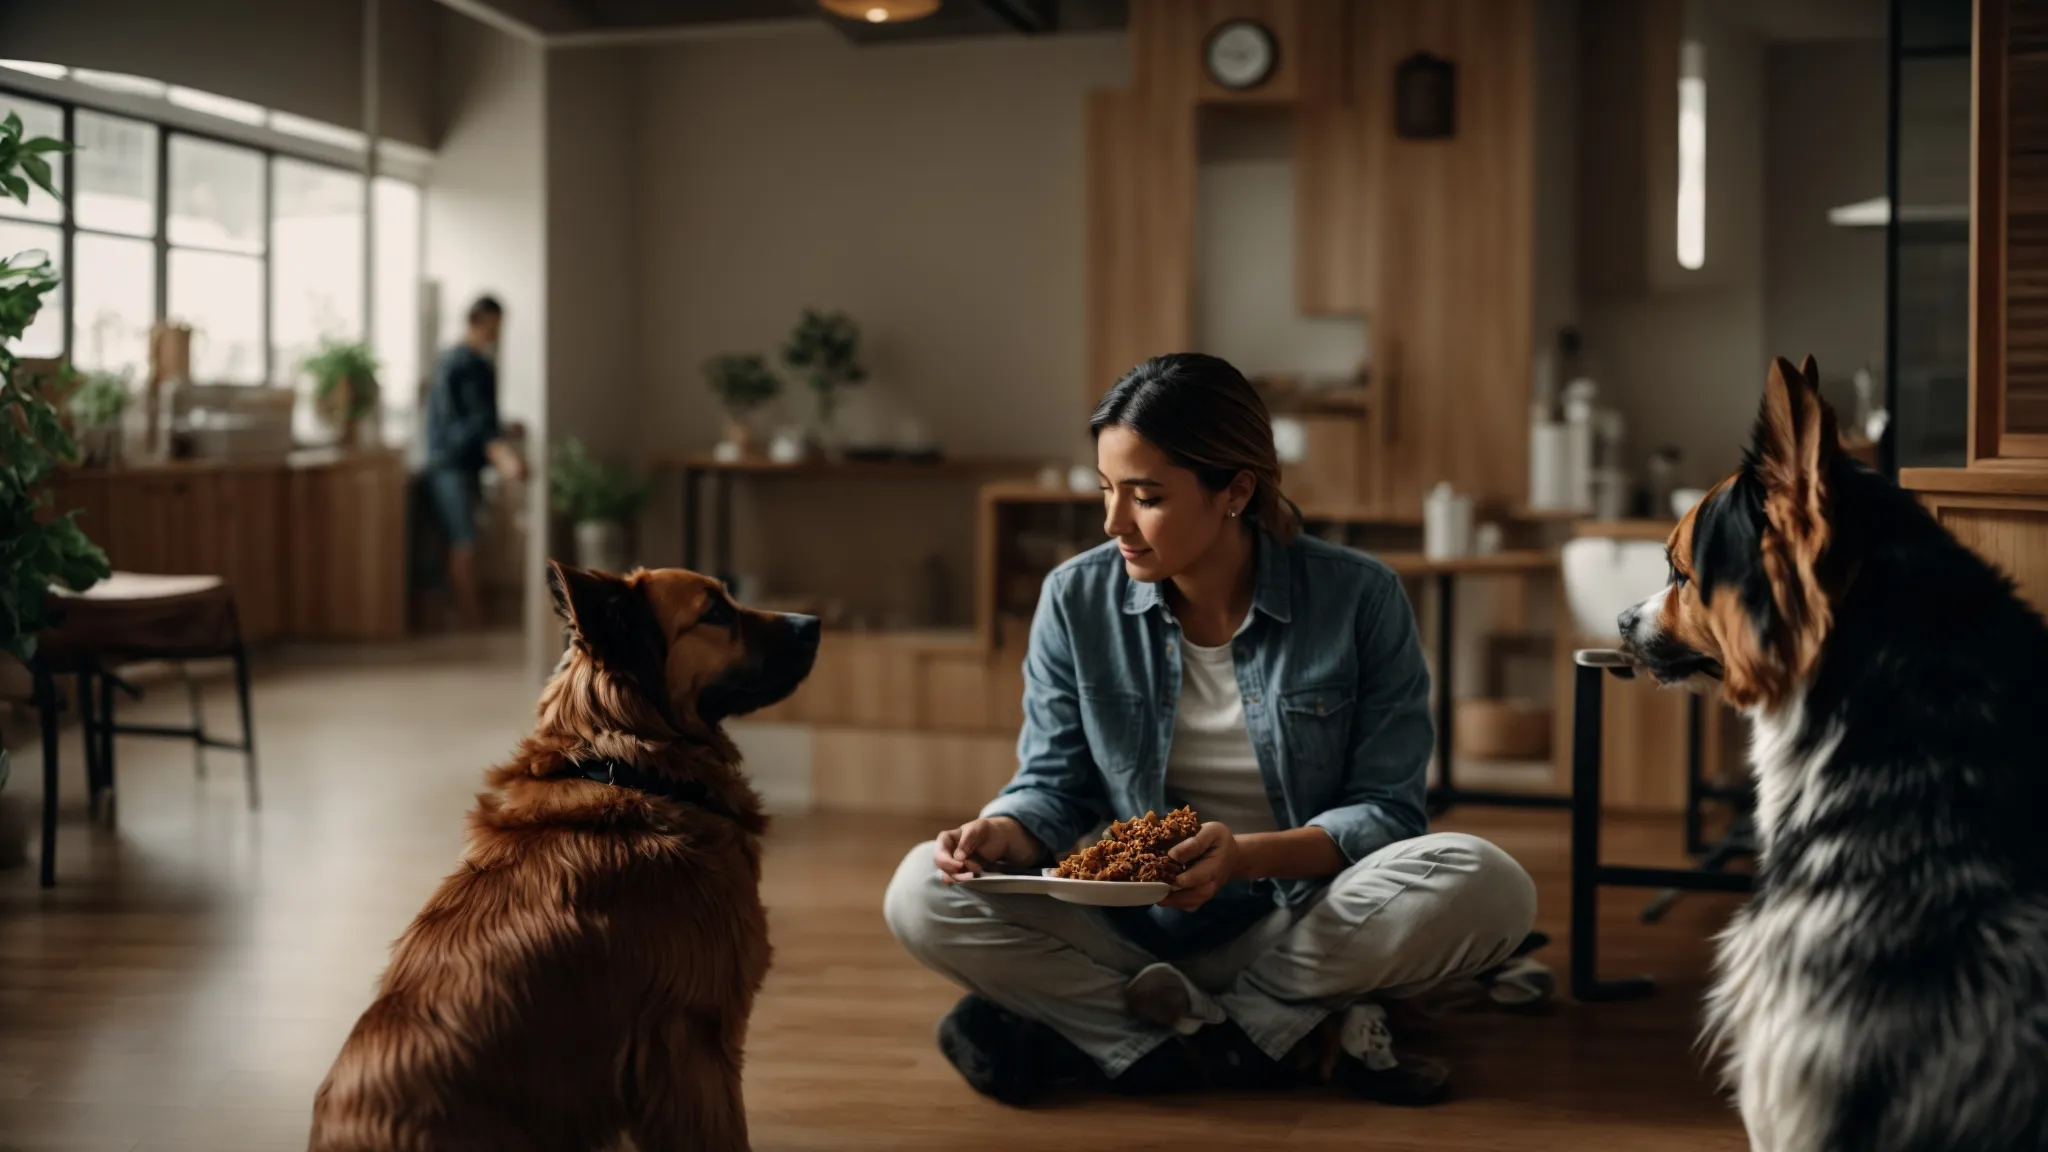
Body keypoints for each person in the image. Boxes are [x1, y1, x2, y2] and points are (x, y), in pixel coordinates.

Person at [883, 353, 1540, 1106]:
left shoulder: (1361, 598)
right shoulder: (1074, 598)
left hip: (1301, 919)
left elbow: (1388, 813)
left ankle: (1177, 1024)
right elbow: (1052, 783)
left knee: (1489, 882)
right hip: (1131, 924)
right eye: (1105, 491)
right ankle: (1234, 1031)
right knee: (919, 890)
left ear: (1236, 491)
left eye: (1146, 497)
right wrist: (1005, 830)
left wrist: (1243, 858)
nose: (1114, 523)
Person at [424, 295, 525, 630]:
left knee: (463, 540)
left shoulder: (451, 361)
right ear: (478, 322)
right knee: (464, 540)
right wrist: (505, 456)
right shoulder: (470, 365)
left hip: (452, 463)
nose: (497, 334)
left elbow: (468, 418)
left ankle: (470, 614)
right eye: (494, 326)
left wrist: (502, 432)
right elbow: (479, 425)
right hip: (452, 465)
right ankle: (472, 618)